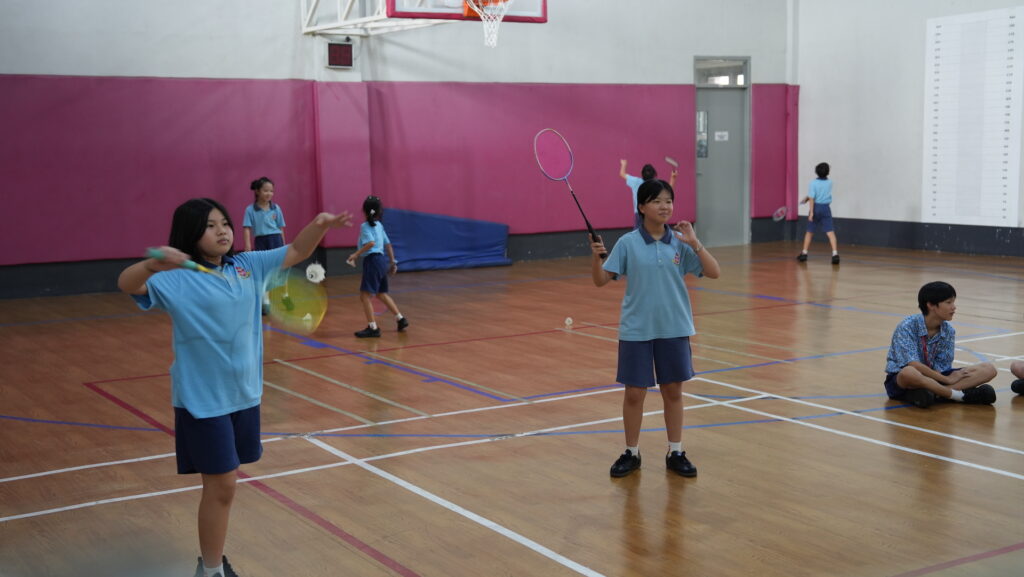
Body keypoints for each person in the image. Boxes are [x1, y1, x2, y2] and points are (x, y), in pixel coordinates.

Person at [118, 198, 351, 577]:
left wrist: (320, 224)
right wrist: (151, 265)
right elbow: (128, 283)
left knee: (226, 485)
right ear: (191, 233)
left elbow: (296, 250)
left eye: (224, 223)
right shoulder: (175, 278)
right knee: (223, 485)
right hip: (202, 400)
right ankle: (211, 570)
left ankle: (211, 564)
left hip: (245, 394)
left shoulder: (247, 265)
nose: (222, 230)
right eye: (210, 226)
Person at [590, 179, 720, 478]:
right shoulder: (628, 243)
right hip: (636, 329)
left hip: (674, 327)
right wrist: (595, 257)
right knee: (634, 393)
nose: (665, 206)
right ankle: (631, 453)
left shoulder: (680, 242)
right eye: (657, 201)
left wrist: (695, 242)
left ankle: (676, 451)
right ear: (642, 207)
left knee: (673, 391)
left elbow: (714, 272)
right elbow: (600, 280)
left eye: (668, 201)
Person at [883, 281, 998, 408]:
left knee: (988, 369)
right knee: (909, 372)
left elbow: (942, 367)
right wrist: (946, 380)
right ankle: (957, 395)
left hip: (936, 377)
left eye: (953, 302)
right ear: (931, 305)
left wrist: (946, 377)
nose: (954, 307)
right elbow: (913, 364)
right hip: (904, 380)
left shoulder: (948, 331)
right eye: (949, 302)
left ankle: (932, 394)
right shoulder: (907, 326)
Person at [346, 195, 408, 338]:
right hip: (381, 261)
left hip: (372, 261)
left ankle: (373, 327)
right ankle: (400, 319)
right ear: (379, 211)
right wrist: (393, 262)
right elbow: (388, 244)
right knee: (381, 294)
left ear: (364, 210)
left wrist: (356, 254)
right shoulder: (379, 225)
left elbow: (371, 243)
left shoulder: (365, 226)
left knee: (364, 296)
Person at [243, 177, 287, 314]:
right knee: (264, 272)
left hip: (276, 240)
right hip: (261, 241)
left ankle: (285, 296)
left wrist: (283, 245)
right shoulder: (250, 210)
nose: (269, 193)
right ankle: (265, 301)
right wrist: (247, 245)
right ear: (257, 191)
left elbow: (281, 228)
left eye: (271, 191)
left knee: (280, 270)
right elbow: (247, 228)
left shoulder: (276, 208)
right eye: (266, 190)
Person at [797, 162, 840, 264]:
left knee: (809, 232)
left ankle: (804, 254)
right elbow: (818, 194)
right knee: (830, 232)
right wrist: (807, 198)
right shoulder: (830, 183)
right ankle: (835, 254)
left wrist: (811, 212)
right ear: (827, 172)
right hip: (825, 208)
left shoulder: (813, 183)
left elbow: (812, 198)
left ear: (816, 172)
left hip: (815, 208)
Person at [619, 160, 678, 228]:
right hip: (654, 212)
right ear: (654, 174)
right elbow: (668, 191)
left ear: (642, 173)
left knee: (638, 233)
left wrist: (623, 164)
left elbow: (622, 174)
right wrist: (673, 178)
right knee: (654, 231)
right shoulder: (656, 185)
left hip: (639, 213)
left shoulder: (635, 181)